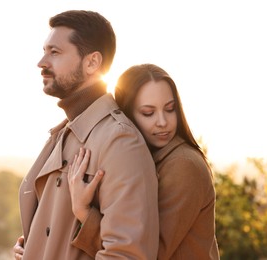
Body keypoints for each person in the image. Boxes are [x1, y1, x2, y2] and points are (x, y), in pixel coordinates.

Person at [13, 11, 159, 259]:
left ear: (92, 62)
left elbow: (126, 254)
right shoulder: (63, 132)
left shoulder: (119, 140)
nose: (42, 62)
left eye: (55, 52)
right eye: (45, 50)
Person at [69, 64, 220, 259]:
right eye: (149, 113)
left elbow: (146, 252)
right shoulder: (136, 159)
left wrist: (84, 212)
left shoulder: (183, 165)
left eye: (170, 109)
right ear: (126, 115)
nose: (162, 121)